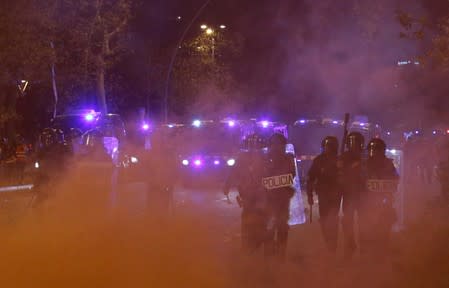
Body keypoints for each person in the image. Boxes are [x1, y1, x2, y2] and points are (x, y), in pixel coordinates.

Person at [223, 134, 267, 254]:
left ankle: (259, 242)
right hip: (247, 195)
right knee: (247, 220)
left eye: (256, 144)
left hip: (262, 196)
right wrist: (227, 185)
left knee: (262, 220)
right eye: (251, 144)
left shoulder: (266, 158)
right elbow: (233, 173)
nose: (253, 147)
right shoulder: (242, 159)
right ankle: (247, 245)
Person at [359, 138, 398, 256]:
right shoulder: (364, 164)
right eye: (372, 149)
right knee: (366, 227)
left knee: (384, 226)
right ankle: (366, 252)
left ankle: (382, 250)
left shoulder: (388, 164)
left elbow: (395, 178)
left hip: (384, 201)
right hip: (368, 202)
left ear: (382, 151)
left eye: (376, 150)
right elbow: (358, 180)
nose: (374, 152)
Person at [263, 133, 296, 261]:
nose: (276, 146)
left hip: (282, 199)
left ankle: (281, 255)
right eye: (274, 143)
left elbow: (291, 176)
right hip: (269, 200)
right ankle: (268, 256)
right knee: (269, 228)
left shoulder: (288, 158)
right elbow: (260, 178)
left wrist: (275, 182)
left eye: (279, 144)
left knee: (282, 227)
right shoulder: (265, 159)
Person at [307, 136, 340, 253]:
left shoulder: (339, 160)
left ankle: (332, 247)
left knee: (333, 220)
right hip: (323, 195)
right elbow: (311, 178)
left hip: (336, 195)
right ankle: (328, 243)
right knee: (324, 221)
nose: (329, 149)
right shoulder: (319, 160)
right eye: (327, 146)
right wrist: (309, 195)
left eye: (331, 147)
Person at [338, 132, 365, 260]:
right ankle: (350, 246)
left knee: (364, 222)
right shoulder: (344, 156)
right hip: (349, 194)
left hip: (362, 194)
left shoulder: (365, 156)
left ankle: (365, 247)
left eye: (356, 141)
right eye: (351, 141)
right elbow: (339, 173)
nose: (353, 144)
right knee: (347, 221)